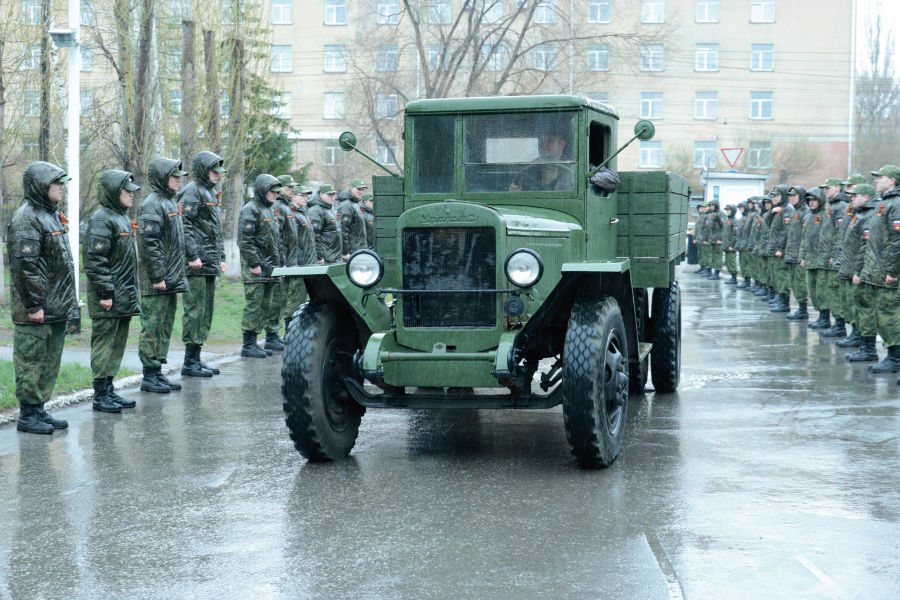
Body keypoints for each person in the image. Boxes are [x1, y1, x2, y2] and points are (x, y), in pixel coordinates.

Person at [8, 161, 79, 434]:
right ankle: (28, 414)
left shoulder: (50, 214)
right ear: (40, 185)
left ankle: (39, 409)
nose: (61, 188)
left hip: (55, 307)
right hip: (37, 309)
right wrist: (34, 304)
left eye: (62, 183)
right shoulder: (27, 218)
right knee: (31, 361)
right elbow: (25, 267)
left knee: (49, 361)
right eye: (55, 183)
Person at [83, 170, 142, 412]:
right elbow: (95, 260)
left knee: (117, 345)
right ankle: (100, 395)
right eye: (126, 191)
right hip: (108, 297)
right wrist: (106, 293)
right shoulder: (102, 219)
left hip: (123, 295)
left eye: (132, 191)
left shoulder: (122, 218)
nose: (131, 195)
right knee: (104, 345)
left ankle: (109, 389)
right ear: (113, 192)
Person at [137, 158, 192, 392]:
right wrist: (158, 277)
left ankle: (157, 371)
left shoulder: (169, 202)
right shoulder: (152, 205)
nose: (179, 180)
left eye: (180, 176)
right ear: (162, 177)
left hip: (169, 279)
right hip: (156, 281)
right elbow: (149, 244)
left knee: (164, 326)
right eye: (174, 176)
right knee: (153, 326)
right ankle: (149, 375)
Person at [180, 151, 228, 370]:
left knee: (206, 311)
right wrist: (192, 256)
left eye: (219, 171)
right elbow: (185, 225)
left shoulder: (210, 192)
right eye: (213, 170)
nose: (217, 175)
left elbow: (216, 230)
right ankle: (190, 361)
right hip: (196, 264)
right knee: (195, 310)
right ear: (202, 169)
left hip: (209, 262)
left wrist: (221, 257)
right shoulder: (192, 192)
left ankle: (197, 358)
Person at [859, 167, 900, 373]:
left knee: (890, 315)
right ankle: (892, 356)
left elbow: (897, 241)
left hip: (887, 274)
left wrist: (893, 271)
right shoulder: (883, 203)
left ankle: (895, 358)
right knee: (881, 315)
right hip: (876, 272)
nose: (876, 181)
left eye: (880, 178)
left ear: (892, 180)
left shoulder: (896, 204)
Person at [238, 174, 284, 358]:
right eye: (272, 191)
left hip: (269, 268)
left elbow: (274, 240)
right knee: (254, 306)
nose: (276, 194)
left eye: (277, 191)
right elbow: (245, 240)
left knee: (264, 306)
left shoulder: (268, 210)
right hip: (256, 269)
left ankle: (255, 341)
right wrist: (253, 263)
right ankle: (248, 344)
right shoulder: (251, 210)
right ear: (262, 190)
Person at [842, 184, 880, 361]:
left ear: (865, 197)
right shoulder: (859, 214)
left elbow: (865, 247)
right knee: (859, 309)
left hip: (864, 271)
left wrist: (858, 271)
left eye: (854, 195)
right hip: (855, 270)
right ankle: (864, 345)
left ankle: (869, 350)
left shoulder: (868, 215)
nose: (851, 198)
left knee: (866, 310)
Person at [284, 186, 316, 331]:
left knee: (303, 299)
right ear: (293, 196)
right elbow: (291, 241)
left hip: (308, 264)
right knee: (295, 299)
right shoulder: (292, 214)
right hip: (298, 264)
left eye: (306, 195)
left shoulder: (302, 213)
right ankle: (289, 330)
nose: (305, 198)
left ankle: (298, 329)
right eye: (302, 195)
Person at [509, 128, 574, 192]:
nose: (544, 144)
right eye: (541, 140)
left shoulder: (572, 171)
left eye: (550, 140)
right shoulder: (526, 172)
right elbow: (515, 193)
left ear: (561, 144)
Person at [799, 187, 827, 325]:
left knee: (822, 290)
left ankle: (825, 317)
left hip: (821, 260)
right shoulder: (807, 216)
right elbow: (804, 238)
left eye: (814, 199)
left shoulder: (825, 214)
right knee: (813, 289)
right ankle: (820, 316)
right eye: (809, 200)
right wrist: (802, 257)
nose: (811, 202)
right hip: (809, 259)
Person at [783, 186, 810, 320]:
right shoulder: (796, 211)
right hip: (792, 254)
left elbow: (805, 236)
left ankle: (803, 310)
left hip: (799, 255)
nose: (791, 198)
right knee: (794, 283)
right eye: (790, 196)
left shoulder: (805, 212)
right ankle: (800, 308)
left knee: (800, 283)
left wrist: (802, 255)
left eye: (794, 196)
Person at [768, 184, 794, 312]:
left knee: (782, 276)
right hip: (776, 249)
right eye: (773, 195)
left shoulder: (787, 210)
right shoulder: (779, 209)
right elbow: (769, 226)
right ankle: (780, 299)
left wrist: (780, 248)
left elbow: (785, 231)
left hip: (781, 251)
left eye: (777, 195)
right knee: (777, 275)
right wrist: (772, 212)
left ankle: (784, 303)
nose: (774, 198)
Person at [308, 184, 342, 264]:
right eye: (329, 195)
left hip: (334, 257)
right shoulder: (316, 210)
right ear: (321, 194)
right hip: (326, 259)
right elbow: (315, 235)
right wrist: (319, 257)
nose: (332, 197)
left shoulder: (329, 209)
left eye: (333, 195)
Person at [336, 178, 369, 259]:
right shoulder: (347, 205)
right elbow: (343, 230)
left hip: (359, 249)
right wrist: (345, 252)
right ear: (351, 188)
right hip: (352, 252)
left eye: (362, 189)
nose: (361, 192)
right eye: (358, 189)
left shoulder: (355, 204)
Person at [722, 203, 740, 284]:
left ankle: (734, 278)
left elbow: (735, 235)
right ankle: (732, 277)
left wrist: (732, 245)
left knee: (731, 262)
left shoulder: (734, 221)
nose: (727, 212)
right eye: (727, 210)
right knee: (728, 262)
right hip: (726, 246)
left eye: (729, 210)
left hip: (731, 247)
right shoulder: (727, 220)